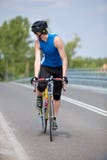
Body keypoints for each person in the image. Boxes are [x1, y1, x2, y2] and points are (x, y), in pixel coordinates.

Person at [31, 20, 68, 130]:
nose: (34, 35)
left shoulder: (56, 40)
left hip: (58, 67)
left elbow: (64, 58)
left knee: (57, 95)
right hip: (46, 66)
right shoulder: (37, 42)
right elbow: (37, 60)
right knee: (41, 85)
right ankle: (39, 97)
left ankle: (54, 119)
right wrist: (35, 76)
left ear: (40, 32)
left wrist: (64, 76)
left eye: (34, 32)